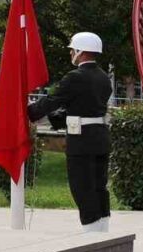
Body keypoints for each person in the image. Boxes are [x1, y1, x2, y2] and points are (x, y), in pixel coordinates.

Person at [26, 32, 112, 232]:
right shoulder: (103, 77)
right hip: (100, 137)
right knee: (99, 186)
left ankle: (91, 234)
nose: (71, 53)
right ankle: (102, 229)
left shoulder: (75, 77)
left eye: (73, 49)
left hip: (82, 142)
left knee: (82, 187)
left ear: (81, 52)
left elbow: (53, 100)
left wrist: (29, 111)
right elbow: (78, 108)